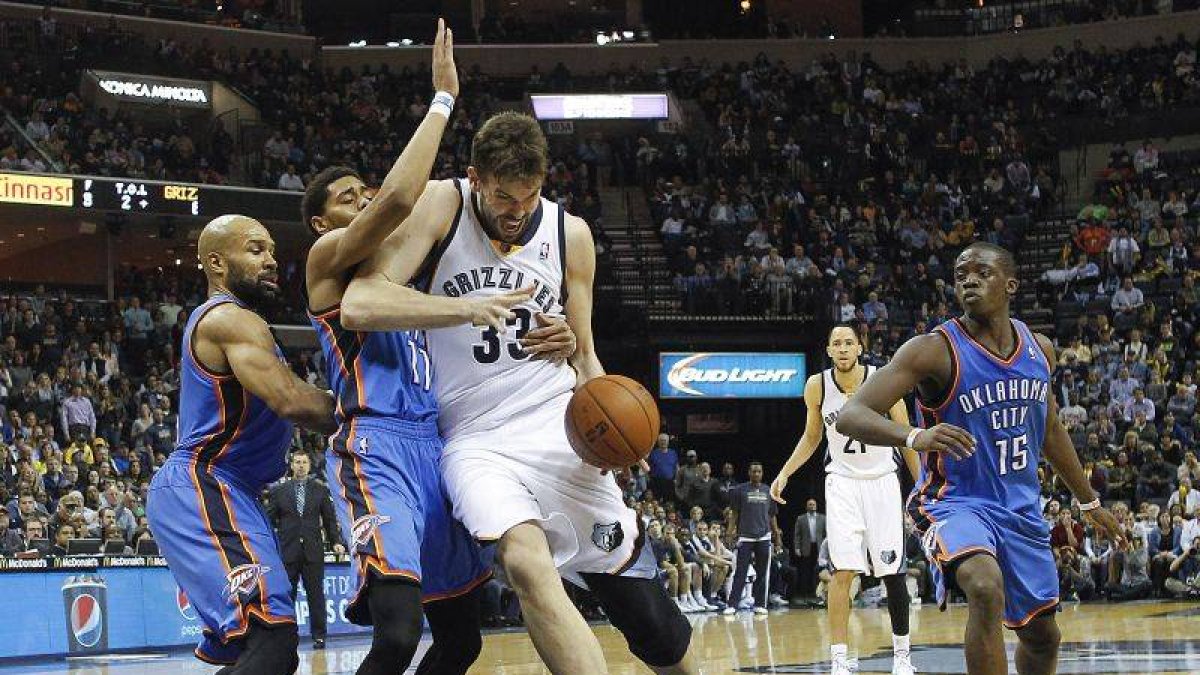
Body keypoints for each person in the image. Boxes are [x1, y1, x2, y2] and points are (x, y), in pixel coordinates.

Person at [341, 110, 696, 673]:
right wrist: (466, 308)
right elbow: (360, 304)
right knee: (525, 561)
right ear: (477, 177)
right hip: (474, 441)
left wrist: (603, 413)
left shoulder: (570, 233)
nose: (519, 211)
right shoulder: (445, 203)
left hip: (558, 424)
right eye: (506, 197)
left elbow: (585, 354)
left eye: (530, 195)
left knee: (650, 625)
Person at [301, 21, 506, 675]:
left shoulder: (402, 286)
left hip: (434, 448)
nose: (361, 198)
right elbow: (396, 200)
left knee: (463, 640)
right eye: (345, 198)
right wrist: (443, 100)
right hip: (377, 446)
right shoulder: (325, 260)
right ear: (320, 221)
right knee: (396, 635)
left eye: (360, 189)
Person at [835, 242, 1122, 675]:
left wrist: (1089, 501)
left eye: (981, 272)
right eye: (960, 274)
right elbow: (851, 415)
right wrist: (916, 435)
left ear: (1010, 285)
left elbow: (1049, 429)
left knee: (1042, 636)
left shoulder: (1038, 349)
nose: (968, 279)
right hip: (954, 502)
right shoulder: (933, 349)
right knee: (985, 587)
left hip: (1020, 508)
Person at [146, 214, 336, 673]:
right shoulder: (230, 318)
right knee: (270, 640)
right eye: (255, 250)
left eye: (271, 250)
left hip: (230, 491)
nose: (271, 261)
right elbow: (292, 401)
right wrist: (371, 409)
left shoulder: (241, 322)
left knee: (272, 650)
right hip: (204, 484)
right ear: (216, 261)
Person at [770, 324, 921, 675]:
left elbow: (906, 436)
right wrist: (784, 473)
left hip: (883, 480)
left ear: (859, 348)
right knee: (843, 572)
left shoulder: (883, 381)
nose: (842, 348)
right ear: (828, 350)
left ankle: (902, 658)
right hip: (842, 483)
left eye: (848, 342)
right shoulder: (817, 385)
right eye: (836, 343)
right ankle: (839, 661)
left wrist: (922, 484)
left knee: (892, 572)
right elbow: (811, 438)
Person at [265, 451, 344, 649]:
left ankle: (319, 636)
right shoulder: (279, 491)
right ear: (292, 465)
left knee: (316, 596)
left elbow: (329, 521)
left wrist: (336, 541)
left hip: (313, 551)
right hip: (288, 551)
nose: (301, 465)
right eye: (297, 462)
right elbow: (268, 521)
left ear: (309, 466)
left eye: (304, 462)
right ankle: (286, 637)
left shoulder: (320, 490)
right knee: (287, 597)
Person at [723, 461, 781, 615]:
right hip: (745, 537)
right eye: (753, 471)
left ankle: (760, 604)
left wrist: (777, 536)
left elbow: (772, 516)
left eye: (759, 471)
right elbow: (734, 514)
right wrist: (729, 532)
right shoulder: (740, 490)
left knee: (763, 573)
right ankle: (732, 604)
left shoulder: (768, 491)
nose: (756, 474)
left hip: (764, 537)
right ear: (749, 473)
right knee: (740, 572)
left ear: (762, 474)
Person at [792, 498, 826, 599]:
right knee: (805, 571)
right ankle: (804, 594)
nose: (812, 506)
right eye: (810, 505)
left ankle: (817, 593)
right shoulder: (801, 518)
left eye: (813, 504)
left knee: (818, 570)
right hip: (806, 547)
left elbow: (826, 534)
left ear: (816, 506)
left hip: (819, 548)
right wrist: (797, 548)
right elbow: (797, 535)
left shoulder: (822, 518)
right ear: (807, 507)